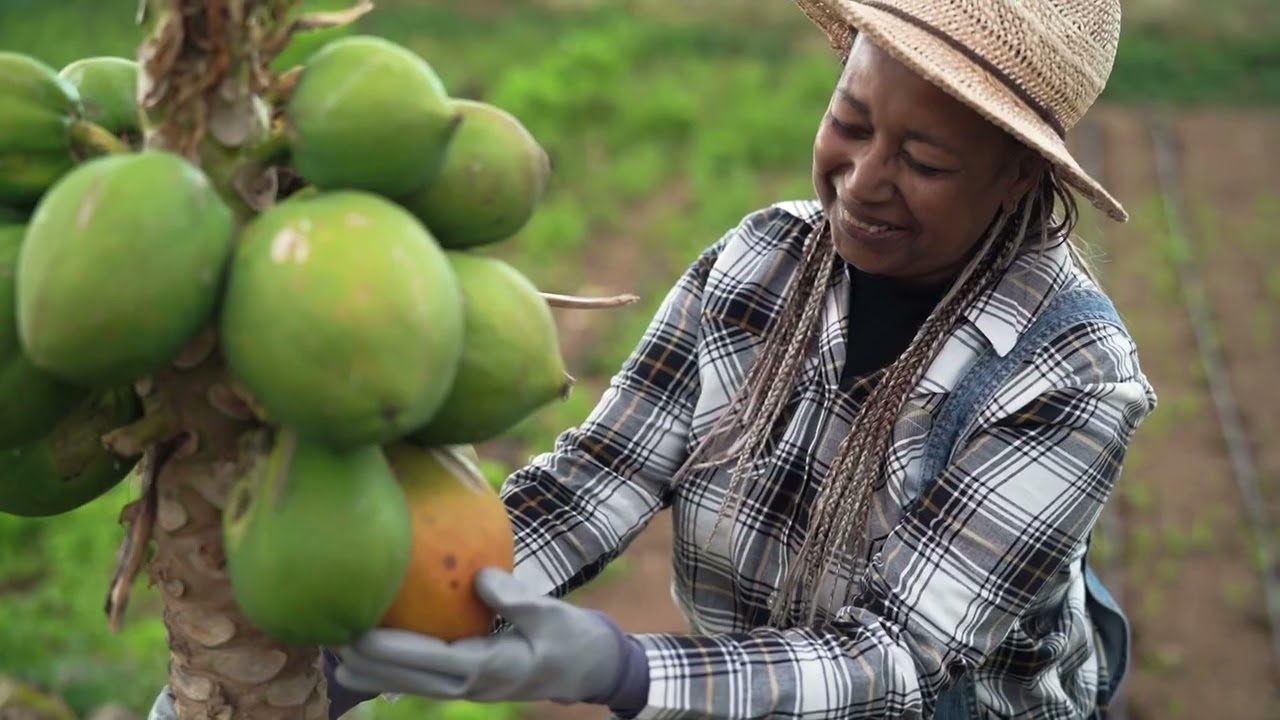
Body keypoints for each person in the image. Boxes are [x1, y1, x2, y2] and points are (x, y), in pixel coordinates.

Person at [149, 0, 1157, 717]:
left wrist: (621, 672)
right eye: (848, 122)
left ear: (1019, 173)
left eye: (924, 161)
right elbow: (602, 475)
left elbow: (896, 657)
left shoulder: (1066, 374)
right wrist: (392, 618)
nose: (861, 178)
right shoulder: (761, 260)